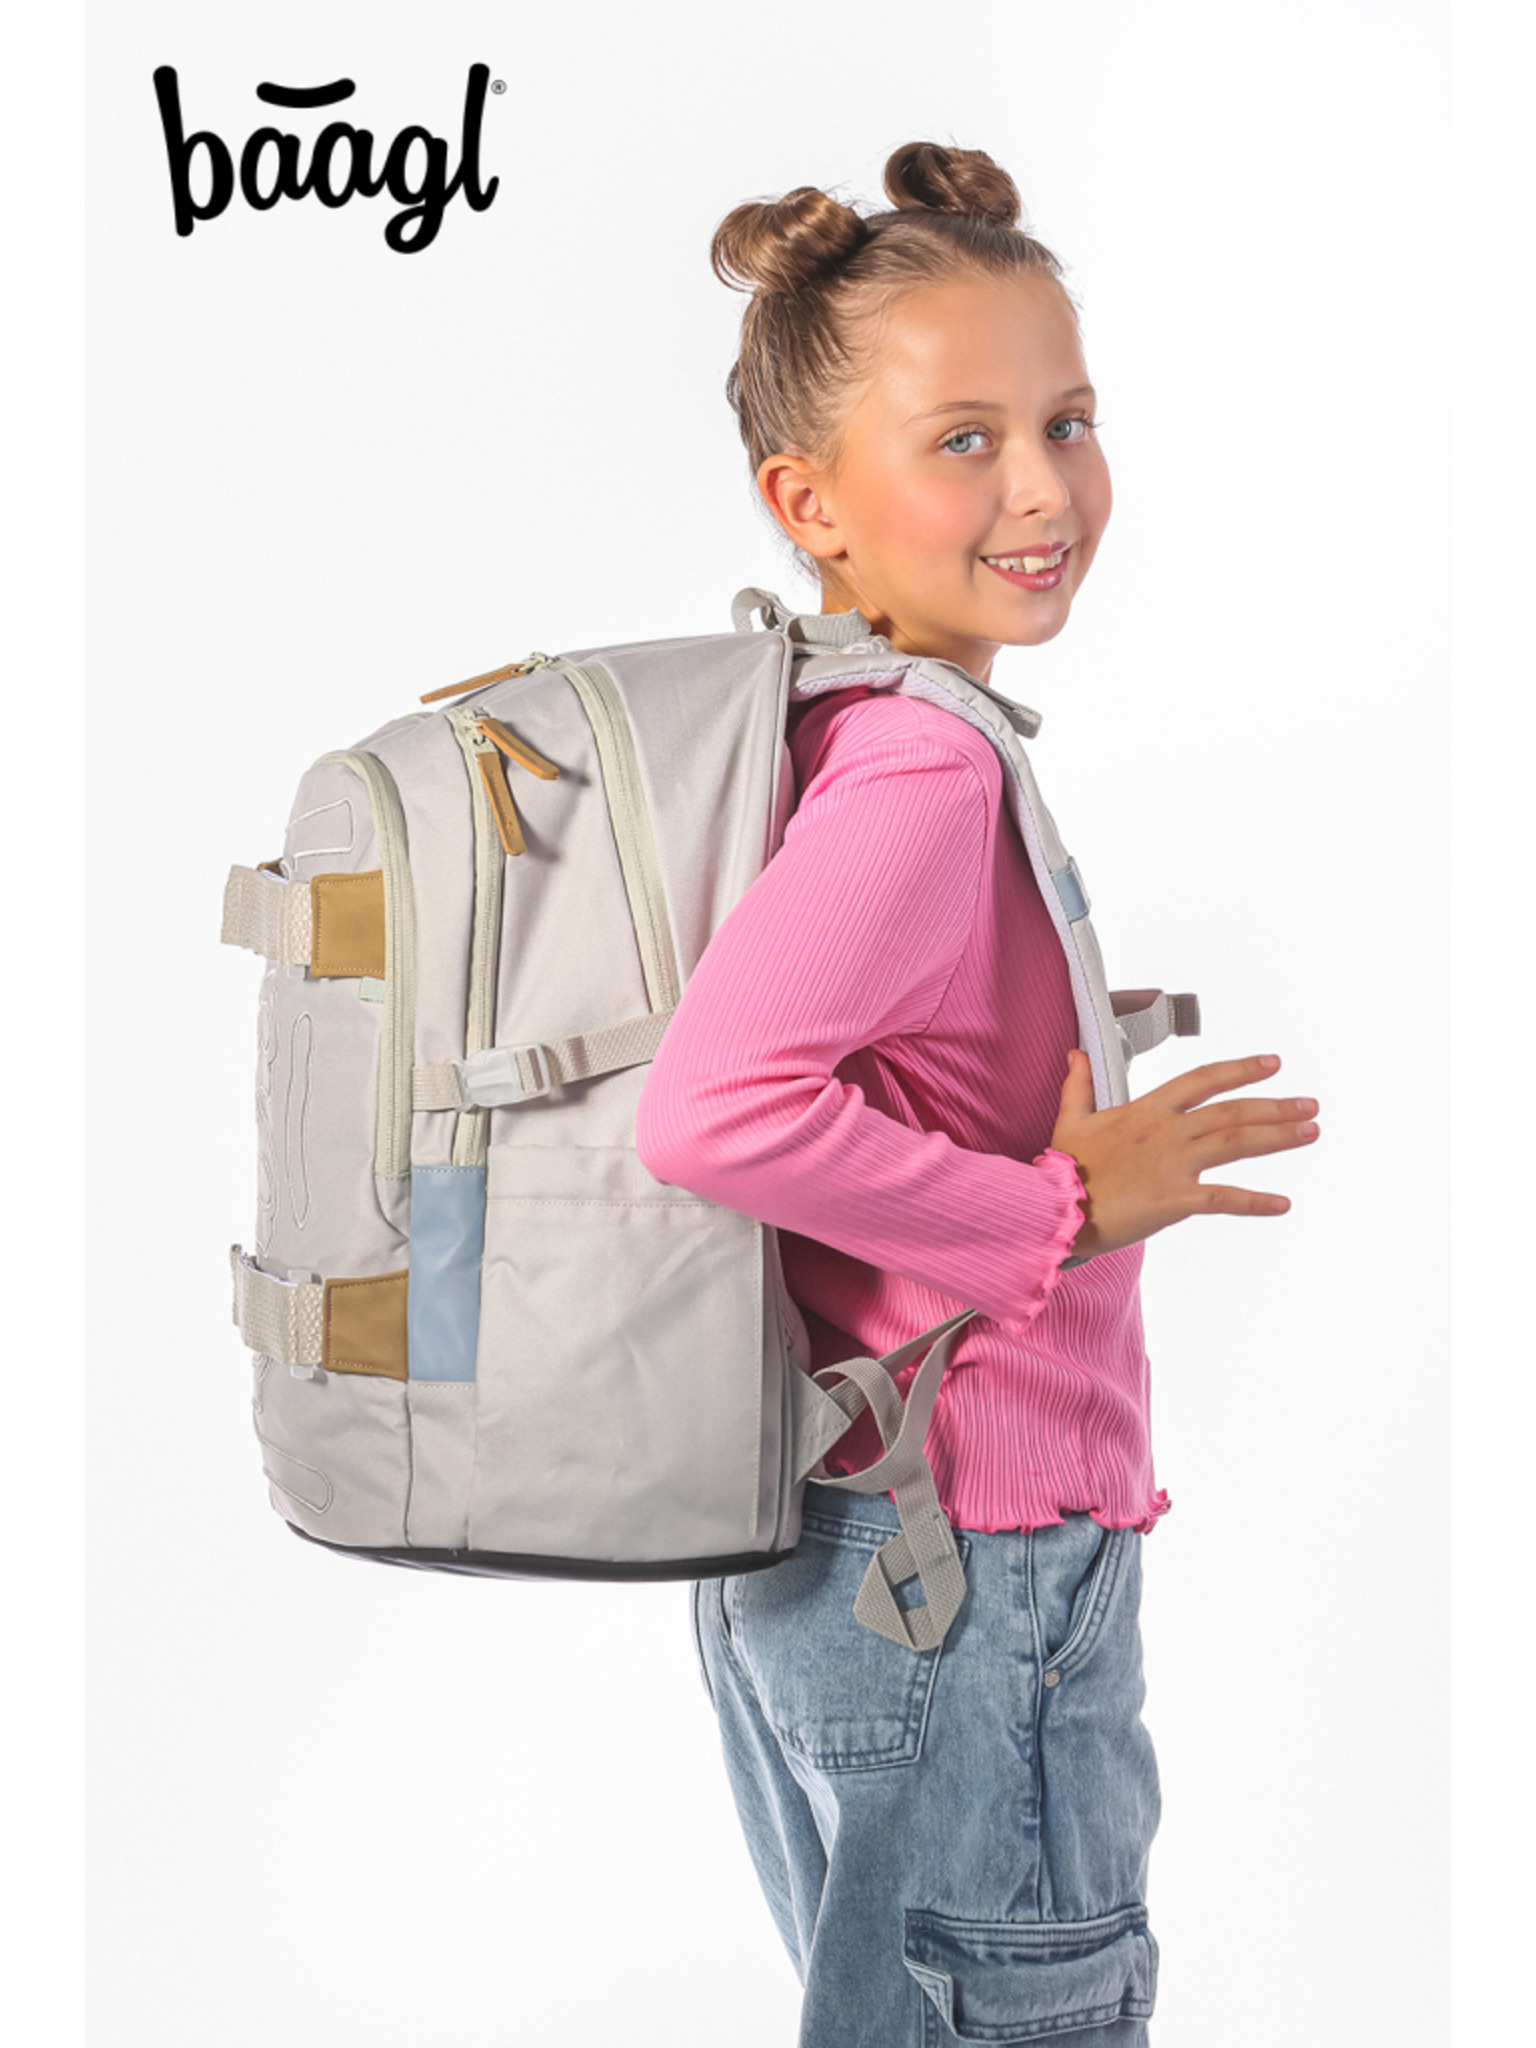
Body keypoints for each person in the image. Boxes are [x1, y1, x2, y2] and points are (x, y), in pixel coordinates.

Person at [633, 139, 1321, 2048]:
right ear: (809, 505)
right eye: (965, 440)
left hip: (836, 1534)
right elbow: (713, 1113)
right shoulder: (922, 771)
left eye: (1068, 423)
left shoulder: (832, 727)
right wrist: (1063, 1205)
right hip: (966, 1557)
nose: (1044, 487)